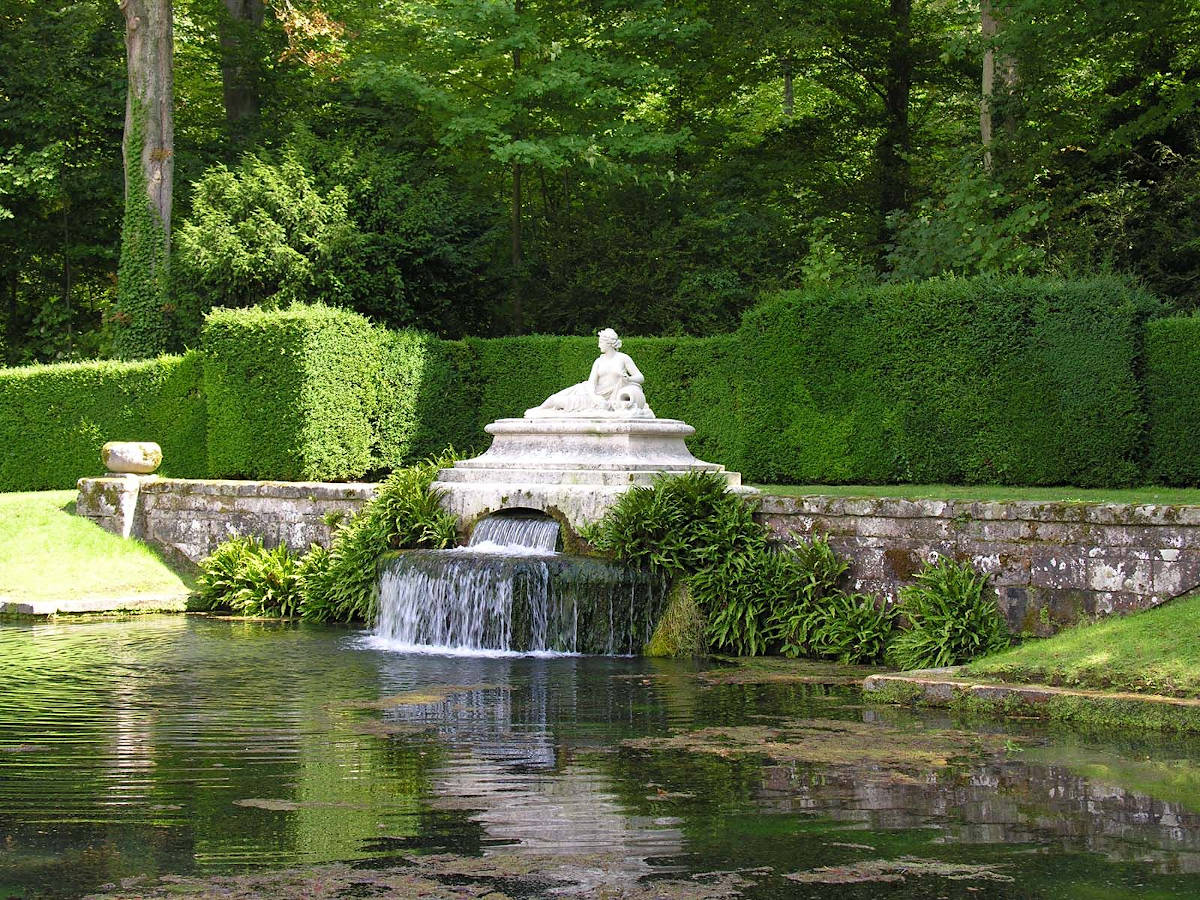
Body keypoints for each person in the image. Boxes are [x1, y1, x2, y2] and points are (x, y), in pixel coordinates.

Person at [525, 328, 654, 418]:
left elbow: (640, 377)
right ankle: (539, 410)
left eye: (600, 342)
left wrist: (629, 379)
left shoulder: (623, 358)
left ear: (609, 344)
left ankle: (540, 411)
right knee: (555, 398)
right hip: (590, 393)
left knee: (559, 402)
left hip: (606, 399)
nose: (599, 346)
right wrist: (595, 398)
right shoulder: (598, 361)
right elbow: (591, 383)